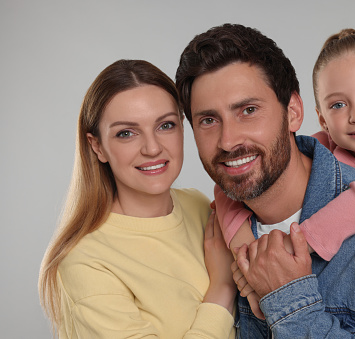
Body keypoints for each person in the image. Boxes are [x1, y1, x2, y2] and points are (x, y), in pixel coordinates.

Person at [175, 23, 355, 338]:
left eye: (248, 110)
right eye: (208, 120)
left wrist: (290, 298)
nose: (228, 141)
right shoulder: (208, 232)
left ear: (293, 112)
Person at [38, 59, 236, 338]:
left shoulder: (199, 206)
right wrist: (222, 289)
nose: (152, 148)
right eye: (126, 133)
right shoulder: (85, 262)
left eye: (165, 125)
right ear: (98, 147)